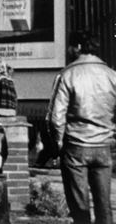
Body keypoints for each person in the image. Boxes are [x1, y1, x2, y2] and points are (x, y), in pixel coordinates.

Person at [47, 30, 116, 224]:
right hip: (103, 145)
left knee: (79, 207)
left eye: (70, 46)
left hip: (76, 144)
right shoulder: (112, 75)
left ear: (77, 47)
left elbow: (56, 117)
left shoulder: (67, 74)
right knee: (105, 206)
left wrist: (58, 142)